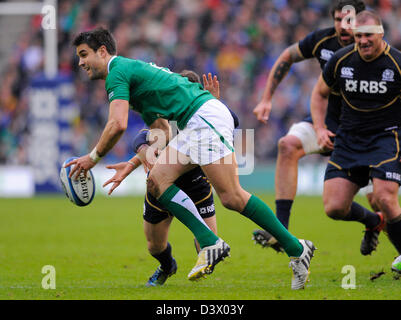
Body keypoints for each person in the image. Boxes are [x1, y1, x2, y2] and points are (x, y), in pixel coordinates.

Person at [66, 27, 316, 290]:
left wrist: (92, 158)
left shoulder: (117, 72)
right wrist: (132, 164)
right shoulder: (135, 80)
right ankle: (293, 249)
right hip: (197, 121)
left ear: (103, 52)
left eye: (84, 55)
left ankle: (263, 246)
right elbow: (162, 132)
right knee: (160, 181)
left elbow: (117, 124)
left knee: (232, 196)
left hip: (202, 118)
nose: (80, 62)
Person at [252, 0, 382, 256]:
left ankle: (375, 223)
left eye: (349, 21)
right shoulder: (323, 42)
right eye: (337, 20)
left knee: (379, 199)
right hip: (327, 122)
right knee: (287, 145)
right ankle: (281, 230)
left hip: (365, 131)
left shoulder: (376, 53)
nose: (342, 27)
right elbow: (287, 56)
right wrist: (266, 98)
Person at [103, 71, 225, 287]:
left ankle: (204, 254)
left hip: (196, 185)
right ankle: (167, 266)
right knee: (154, 246)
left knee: (209, 247)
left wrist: (214, 105)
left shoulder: (205, 117)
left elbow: (231, 122)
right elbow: (142, 137)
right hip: (159, 187)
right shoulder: (165, 115)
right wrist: (142, 152)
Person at [310, 10, 401, 274]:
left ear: (381, 34)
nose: (363, 41)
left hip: (385, 138)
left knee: (384, 196)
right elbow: (319, 93)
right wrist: (319, 128)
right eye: (359, 36)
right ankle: (373, 222)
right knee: (334, 207)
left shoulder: (396, 64)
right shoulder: (341, 60)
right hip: (349, 141)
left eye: (369, 35)